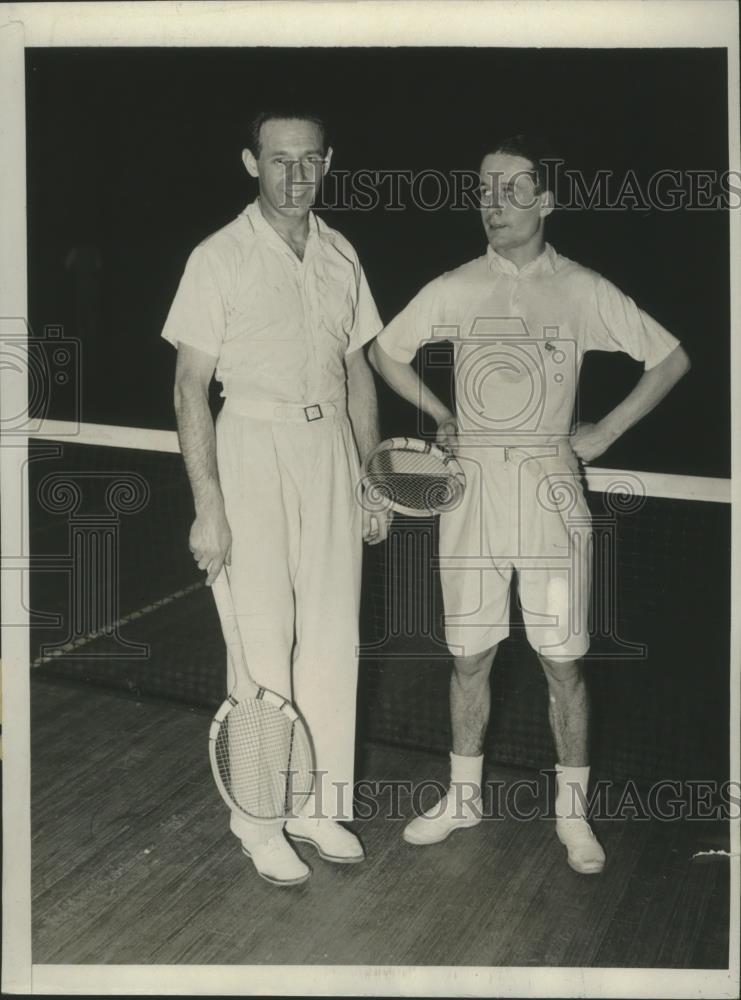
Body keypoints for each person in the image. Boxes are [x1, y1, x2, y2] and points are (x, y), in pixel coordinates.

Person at [369, 134, 690, 874]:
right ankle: (463, 798)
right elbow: (385, 351)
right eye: (484, 190)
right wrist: (439, 412)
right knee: (468, 658)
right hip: (472, 491)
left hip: (551, 493)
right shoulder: (453, 286)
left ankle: (572, 815)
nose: (494, 204)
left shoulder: (582, 288)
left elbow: (670, 358)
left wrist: (605, 430)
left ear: (545, 200)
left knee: (562, 664)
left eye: (512, 190)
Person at [162, 110, 388, 886]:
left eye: (309, 159)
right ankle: (258, 819)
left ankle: (316, 806)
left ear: (328, 163)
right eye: (279, 158)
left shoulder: (340, 253)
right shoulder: (217, 256)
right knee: (260, 644)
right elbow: (189, 385)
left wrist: (371, 478)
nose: (295, 174)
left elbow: (357, 371)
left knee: (331, 635)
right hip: (250, 445)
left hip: (330, 451)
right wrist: (209, 506)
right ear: (250, 163)